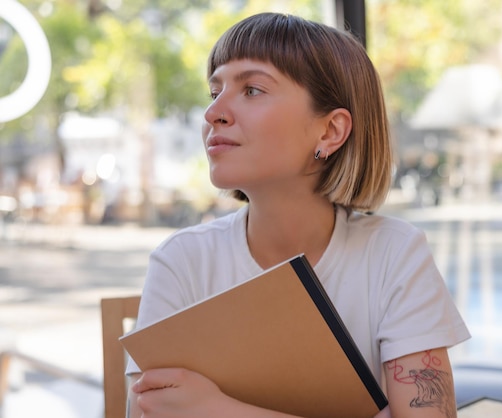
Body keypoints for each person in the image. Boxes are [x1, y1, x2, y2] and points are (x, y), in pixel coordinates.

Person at [126, 12, 470, 418]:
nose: (213, 113)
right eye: (214, 91)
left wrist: (217, 409)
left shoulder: (395, 254)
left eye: (251, 89)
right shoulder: (182, 261)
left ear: (329, 132)